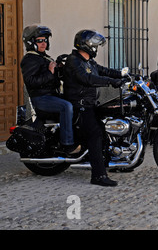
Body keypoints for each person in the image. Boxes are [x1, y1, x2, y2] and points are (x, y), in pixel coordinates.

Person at [63, 29, 125, 187]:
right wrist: (110, 82)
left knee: (105, 131)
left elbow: (103, 70)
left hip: (91, 104)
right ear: (86, 45)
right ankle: (97, 176)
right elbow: (87, 78)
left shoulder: (89, 61)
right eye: (95, 45)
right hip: (80, 106)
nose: (97, 48)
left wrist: (122, 75)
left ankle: (109, 164)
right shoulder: (74, 60)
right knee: (95, 134)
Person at [20, 25, 78, 155]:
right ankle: (67, 145)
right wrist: (50, 72)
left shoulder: (43, 57)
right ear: (31, 42)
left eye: (45, 40)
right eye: (40, 40)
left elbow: (54, 79)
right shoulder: (29, 59)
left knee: (79, 103)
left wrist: (60, 68)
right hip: (41, 98)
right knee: (66, 106)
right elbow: (31, 82)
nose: (43, 43)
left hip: (51, 96)